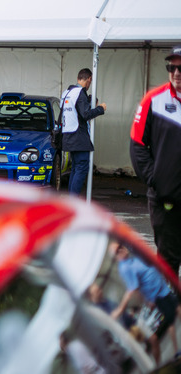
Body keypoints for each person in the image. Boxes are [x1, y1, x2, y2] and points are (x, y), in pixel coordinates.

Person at [130, 45, 181, 278]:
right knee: (168, 260)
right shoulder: (154, 100)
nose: (176, 73)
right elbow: (137, 145)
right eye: (172, 68)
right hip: (165, 198)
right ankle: (166, 310)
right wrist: (156, 179)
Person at [109, 242, 179, 364]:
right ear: (115, 257)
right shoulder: (125, 268)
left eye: (121, 247)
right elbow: (133, 289)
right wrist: (145, 301)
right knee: (171, 321)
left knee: (176, 311)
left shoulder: (133, 257)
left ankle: (173, 352)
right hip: (157, 294)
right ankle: (175, 352)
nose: (121, 250)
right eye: (117, 251)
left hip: (162, 288)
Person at [61, 68, 107, 195]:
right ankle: (73, 200)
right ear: (89, 79)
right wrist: (100, 109)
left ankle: (71, 199)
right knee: (81, 168)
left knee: (76, 168)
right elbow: (85, 114)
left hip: (68, 135)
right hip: (78, 137)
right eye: (90, 82)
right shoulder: (80, 93)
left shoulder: (67, 92)